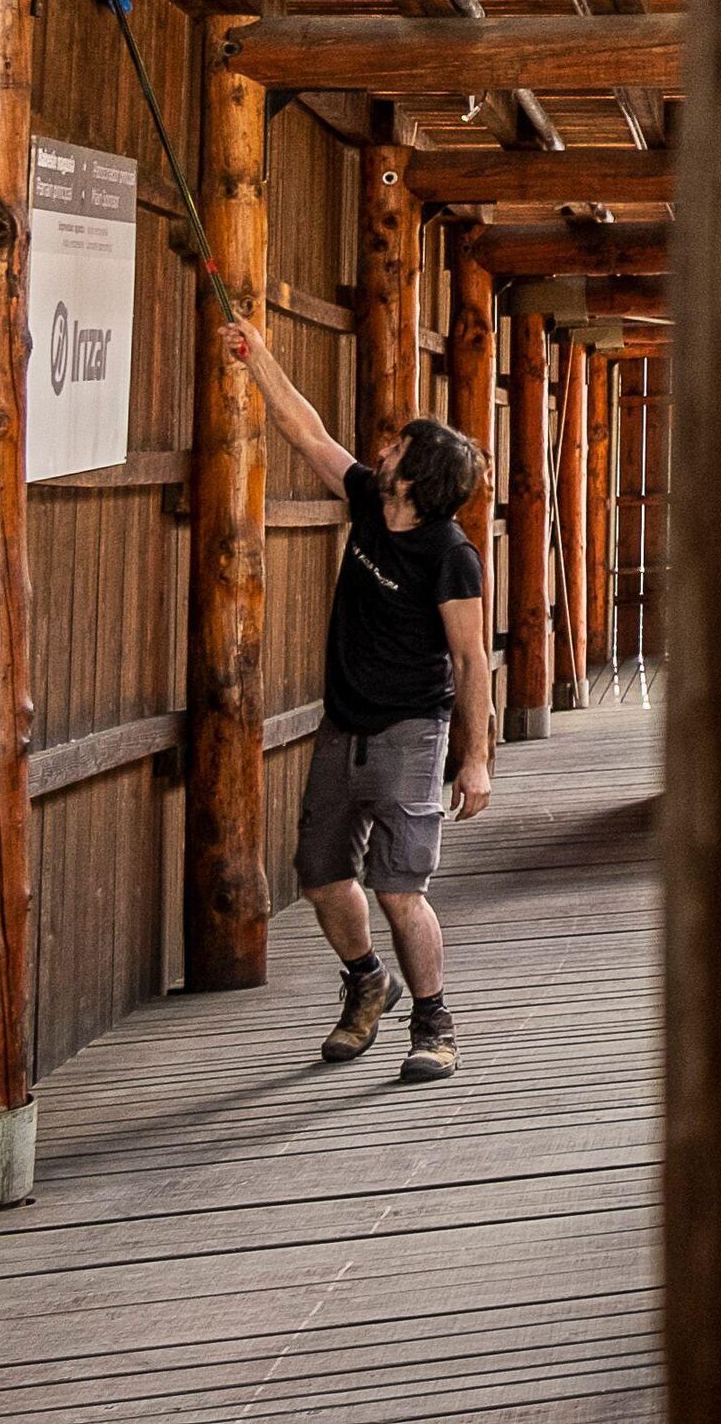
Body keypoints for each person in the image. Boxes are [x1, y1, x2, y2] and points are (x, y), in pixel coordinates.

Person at [223, 311, 494, 1085]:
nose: (382, 451)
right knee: (319, 875)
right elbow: (304, 429)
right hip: (342, 726)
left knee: (399, 887)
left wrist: (474, 763)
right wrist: (256, 353)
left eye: (397, 447)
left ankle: (434, 1022)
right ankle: (366, 981)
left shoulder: (451, 556)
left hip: (412, 733)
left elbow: (472, 661)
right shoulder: (371, 507)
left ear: (416, 475)